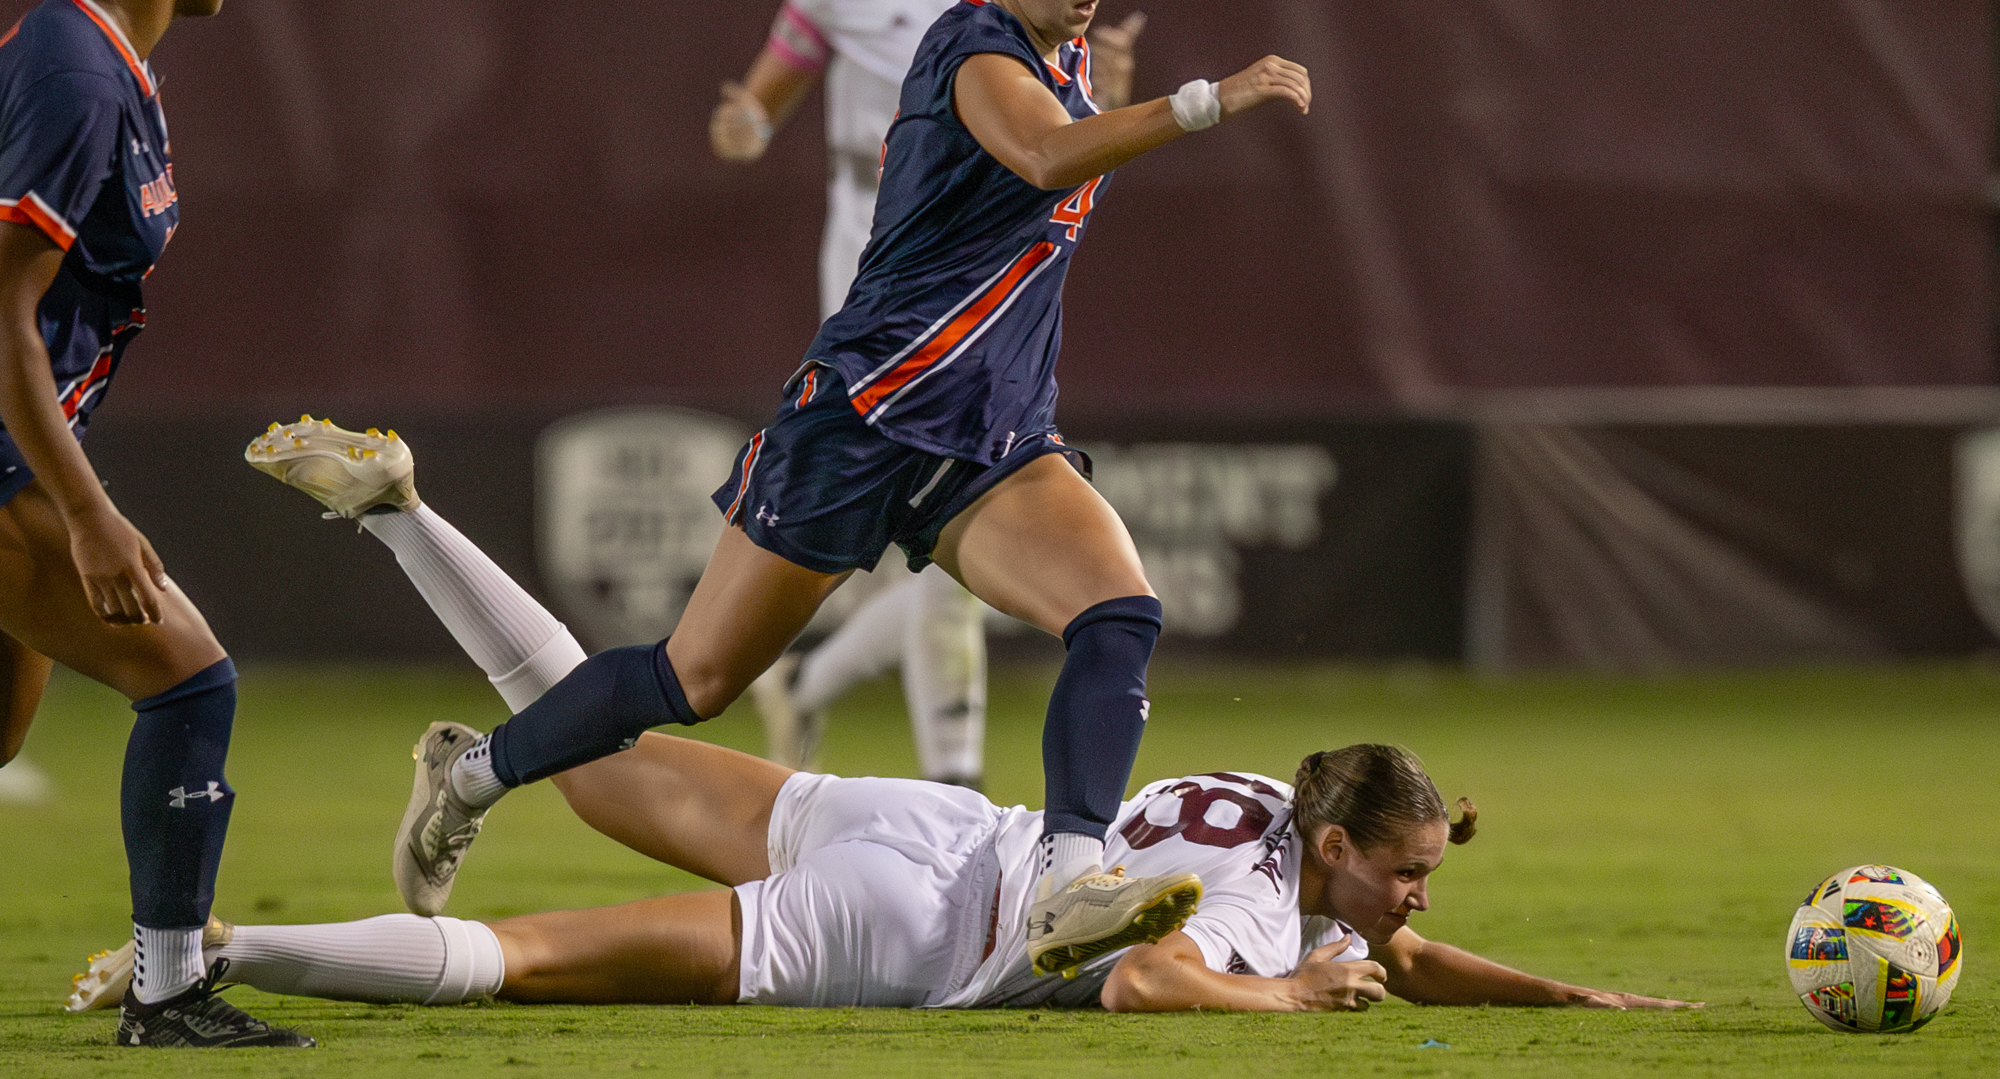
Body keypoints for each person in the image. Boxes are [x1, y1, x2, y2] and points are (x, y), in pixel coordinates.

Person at [359, 0, 1313, 980]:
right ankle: (471, 774)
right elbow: (1042, 155)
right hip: (861, 417)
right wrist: (1199, 101)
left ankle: (1071, 879)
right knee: (689, 680)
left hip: (984, 436)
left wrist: (1107, 93)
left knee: (1116, 615)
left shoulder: (1060, 53)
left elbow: (1057, 183)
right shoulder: (969, 46)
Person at [75, 440, 1696, 1015]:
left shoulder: (1266, 802)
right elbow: (1146, 973)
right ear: (1332, 848)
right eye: (1406, 873)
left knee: (593, 753)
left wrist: (1574, 988)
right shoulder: (1269, 909)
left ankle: (405, 517)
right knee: (534, 956)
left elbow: (1391, 952)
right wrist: (1293, 1002)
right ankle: (213, 954)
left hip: (925, 823)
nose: (1416, 904)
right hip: (913, 918)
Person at [710, 0, 1145, 791]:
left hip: (988, 271)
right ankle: (942, 777)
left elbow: (1057, 151)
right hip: (877, 273)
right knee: (927, 537)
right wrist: (742, 124)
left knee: (951, 540)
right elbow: (761, 102)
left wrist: (1106, 102)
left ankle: (907, 747)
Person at [0, 0, 312, 1047]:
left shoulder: (103, 60)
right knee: (190, 679)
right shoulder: (77, 73)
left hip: (23, 439)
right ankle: (170, 989)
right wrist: (88, 512)